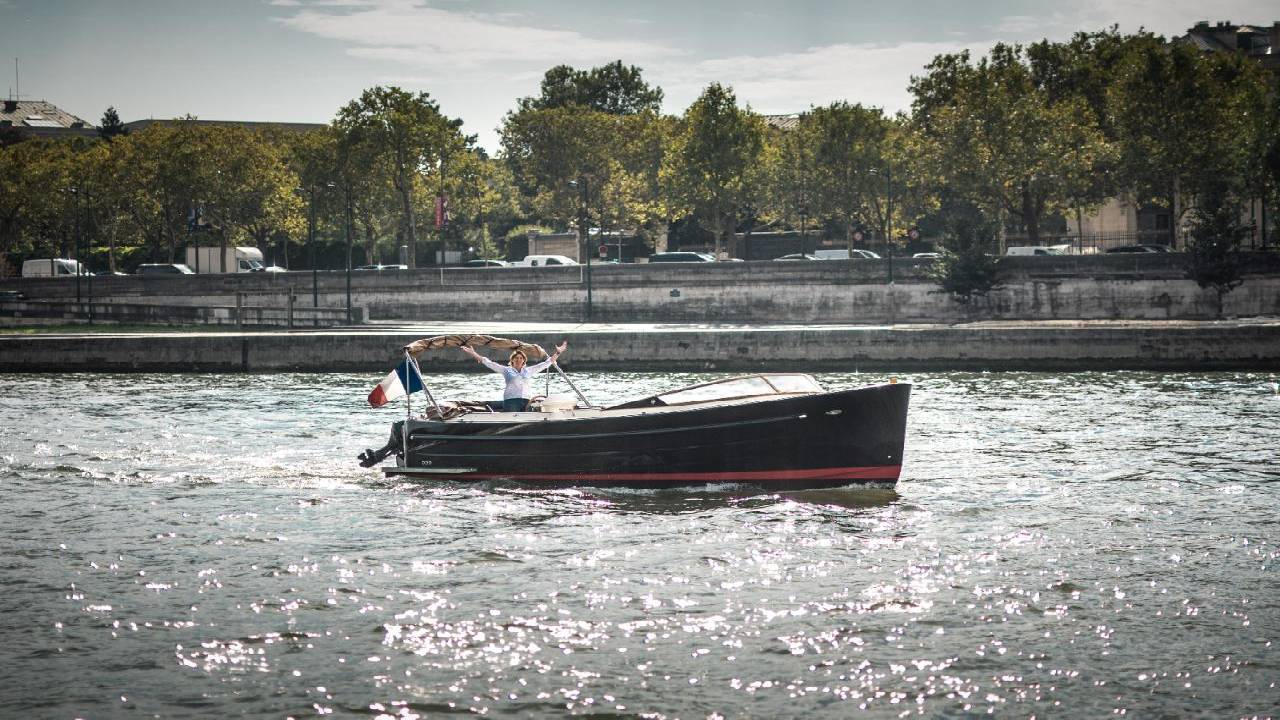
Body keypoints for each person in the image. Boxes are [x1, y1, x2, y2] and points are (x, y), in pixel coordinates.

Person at [461, 341, 568, 412]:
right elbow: (488, 362)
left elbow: (547, 363)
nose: (519, 360)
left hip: (526, 401)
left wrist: (558, 352)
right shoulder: (506, 370)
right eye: (516, 358)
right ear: (512, 360)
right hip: (511, 401)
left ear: (524, 360)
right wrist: (473, 353)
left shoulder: (528, 371)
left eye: (521, 358)